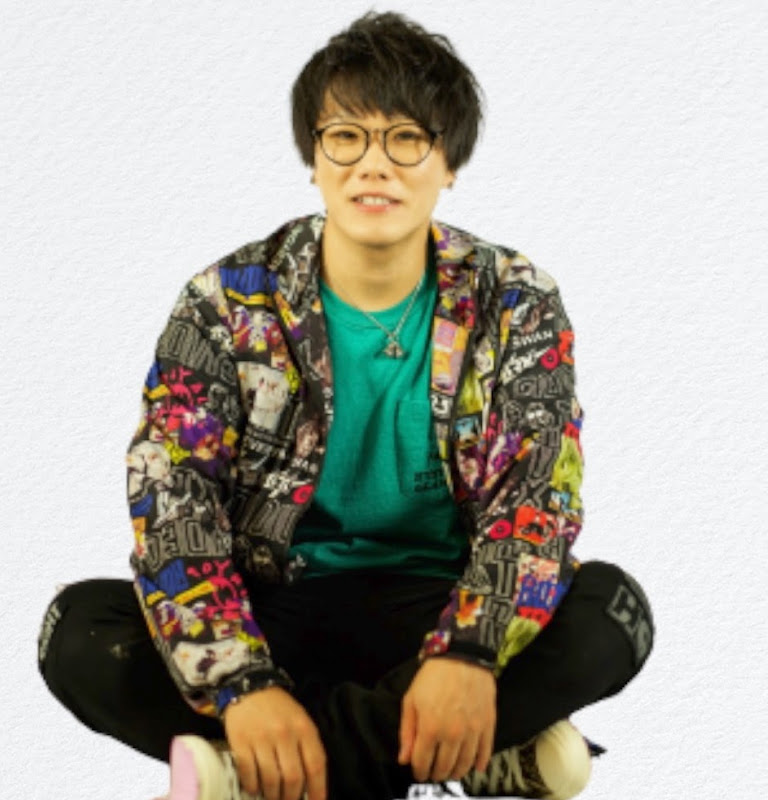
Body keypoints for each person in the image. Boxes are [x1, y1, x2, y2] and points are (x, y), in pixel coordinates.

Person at [37, 11, 655, 800]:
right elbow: (172, 500)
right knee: (78, 631)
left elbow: (538, 498)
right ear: (314, 157)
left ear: (449, 162)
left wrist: (467, 654)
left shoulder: (515, 299)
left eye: (407, 140)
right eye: (346, 138)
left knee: (614, 611)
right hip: (275, 609)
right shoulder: (225, 301)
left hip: (437, 602)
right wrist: (242, 685)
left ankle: (251, 773)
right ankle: (469, 752)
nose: (374, 166)